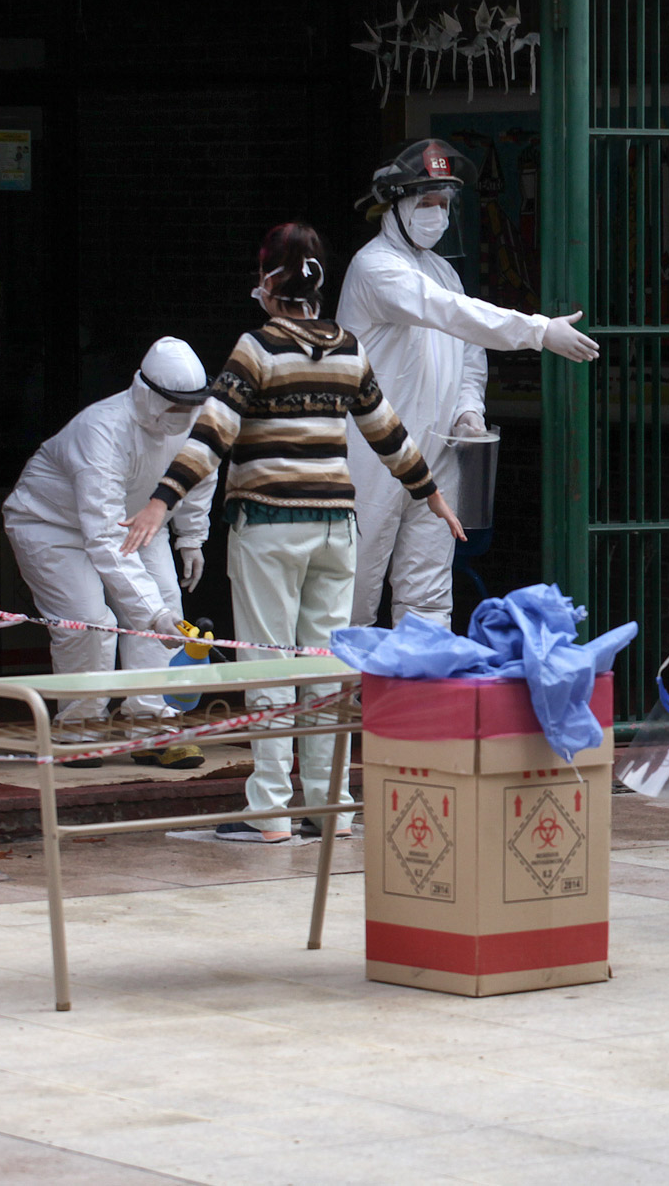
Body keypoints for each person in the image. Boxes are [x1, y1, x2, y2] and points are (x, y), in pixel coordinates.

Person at [123, 222, 465, 843]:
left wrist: (158, 502)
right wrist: (433, 495)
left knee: (270, 667)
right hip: (338, 529)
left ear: (269, 281)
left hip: (269, 527)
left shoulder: (255, 348)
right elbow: (389, 433)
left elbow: (212, 435)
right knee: (327, 668)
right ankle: (332, 805)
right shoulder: (348, 348)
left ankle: (271, 812)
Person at [338, 139, 598, 631]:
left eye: (444, 204)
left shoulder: (442, 271)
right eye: (426, 202)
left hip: (437, 453)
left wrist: (468, 410)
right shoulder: (374, 267)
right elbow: (448, 313)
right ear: (393, 206)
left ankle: (419, 705)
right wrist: (539, 330)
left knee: (429, 598)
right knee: (352, 592)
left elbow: (468, 350)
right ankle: (336, 706)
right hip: (372, 458)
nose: (436, 214)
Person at [2, 337, 216, 764]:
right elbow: (102, 533)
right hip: (50, 524)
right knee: (88, 622)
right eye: (176, 403)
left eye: (191, 402)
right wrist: (149, 612)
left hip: (139, 519)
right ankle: (80, 729)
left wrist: (191, 537)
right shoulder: (102, 428)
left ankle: (153, 724)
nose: (184, 413)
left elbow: (196, 475)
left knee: (168, 607)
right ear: (148, 393)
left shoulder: (197, 422)